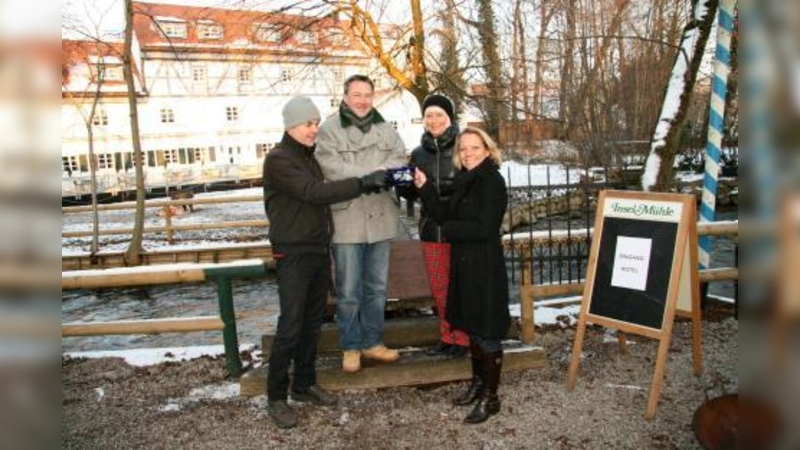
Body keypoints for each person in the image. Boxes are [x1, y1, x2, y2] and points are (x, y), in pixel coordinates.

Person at [262, 96, 389, 429]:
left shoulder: (309, 157)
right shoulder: (278, 160)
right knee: (290, 326)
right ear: (290, 124)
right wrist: (362, 183)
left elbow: (320, 193)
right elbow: (314, 192)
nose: (313, 129)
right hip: (292, 253)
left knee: (312, 323)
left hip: (317, 251)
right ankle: (276, 397)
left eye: (316, 123)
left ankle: (303, 385)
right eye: (308, 124)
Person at [412, 126, 510, 424]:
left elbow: (485, 228)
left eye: (474, 148)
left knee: (487, 331)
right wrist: (425, 187)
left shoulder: (492, 181)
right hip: (465, 263)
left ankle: (490, 399)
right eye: (463, 149)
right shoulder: (465, 179)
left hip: (484, 265)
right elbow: (443, 213)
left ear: (488, 150)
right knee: (471, 326)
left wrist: (447, 231)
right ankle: (478, 385)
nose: (468, 153)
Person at [315, 74, 408, 373]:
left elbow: (400, 160)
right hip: (347, 219)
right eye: (356, 94)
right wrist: (369, 174)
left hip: (381, 216)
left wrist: (384, 171)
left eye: (367, 94)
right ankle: (351, 346)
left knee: (377, 288)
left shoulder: (385, 128)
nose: (362, 100)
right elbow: (330, 166)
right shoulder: (329, 129)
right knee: (349, 290)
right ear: (345, 96)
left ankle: (373, 341)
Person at [396, 94, 469, 358]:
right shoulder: (417, 153)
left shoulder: (465, 147)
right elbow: (414, 195)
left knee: (461, 287)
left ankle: (463, 338)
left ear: (449, 118)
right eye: (429, 115)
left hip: (459, 231)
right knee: (439, 288)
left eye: (439, 115)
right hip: (430, 230)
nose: (434, 120)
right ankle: (447, 335)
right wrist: (403, 185)